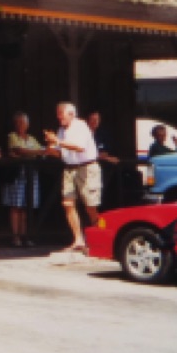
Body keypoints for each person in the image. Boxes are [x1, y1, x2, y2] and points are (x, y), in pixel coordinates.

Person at [44, 102, 102, 253]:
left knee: (90, 206)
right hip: (69, 168)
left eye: (61, 115)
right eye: (57, 114)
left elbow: (79, 147)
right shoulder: (61, 130)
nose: (58, 118)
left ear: (71, 114)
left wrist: (57, 141)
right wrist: (50, 150)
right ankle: (78, 240)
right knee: (68, 203)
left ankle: (99, 239)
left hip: (86, 167)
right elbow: (61, 151)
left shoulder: (81, 126)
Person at [4, 111, 47, 247]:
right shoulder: (12, 136)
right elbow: (19, 150)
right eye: (18, 122)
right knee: (16, 206)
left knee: (26, 206)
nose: (20, 125)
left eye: (23, 122)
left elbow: (43, 151)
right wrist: (37, 152)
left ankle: (25, 236)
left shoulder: (32, 138)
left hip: (31, 174)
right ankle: (15, 237)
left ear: (28, 125)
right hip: (17, 174)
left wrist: (39, 152)